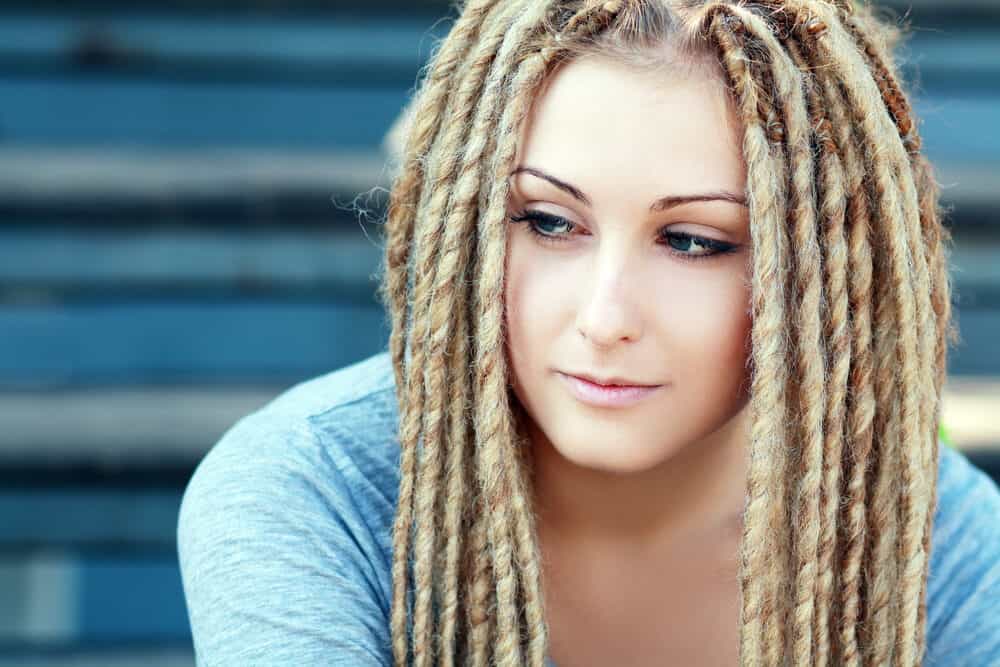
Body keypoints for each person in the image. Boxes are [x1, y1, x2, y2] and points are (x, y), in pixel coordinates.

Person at [176, 0, 1000, 665]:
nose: (603, 318)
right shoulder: (315, 488)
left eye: (693, 241)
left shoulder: (944, 543)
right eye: (547, 220)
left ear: (825, 269)